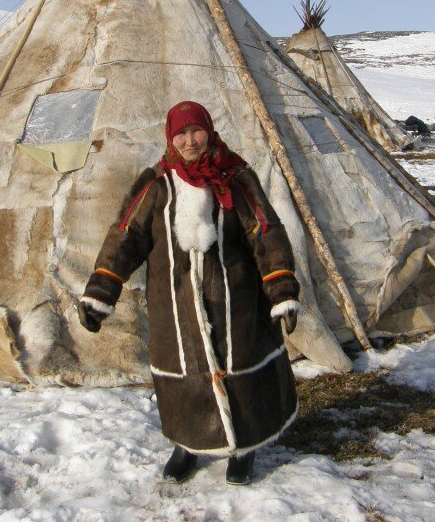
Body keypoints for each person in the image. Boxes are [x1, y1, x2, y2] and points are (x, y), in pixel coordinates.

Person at [78, 101, 300, 485]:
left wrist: (280, 287)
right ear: (170, 137)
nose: (189, 140)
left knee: (241, 369)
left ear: (209, 131)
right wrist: (102, 289)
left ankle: (244, 448)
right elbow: (125, 235)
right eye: (180, 133)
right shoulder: (156, 184)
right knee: (182, 373)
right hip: (174, 303)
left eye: (196, 130)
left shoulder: (236, 177)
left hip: (236, 299)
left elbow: (265, 231)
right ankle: (187, 444)